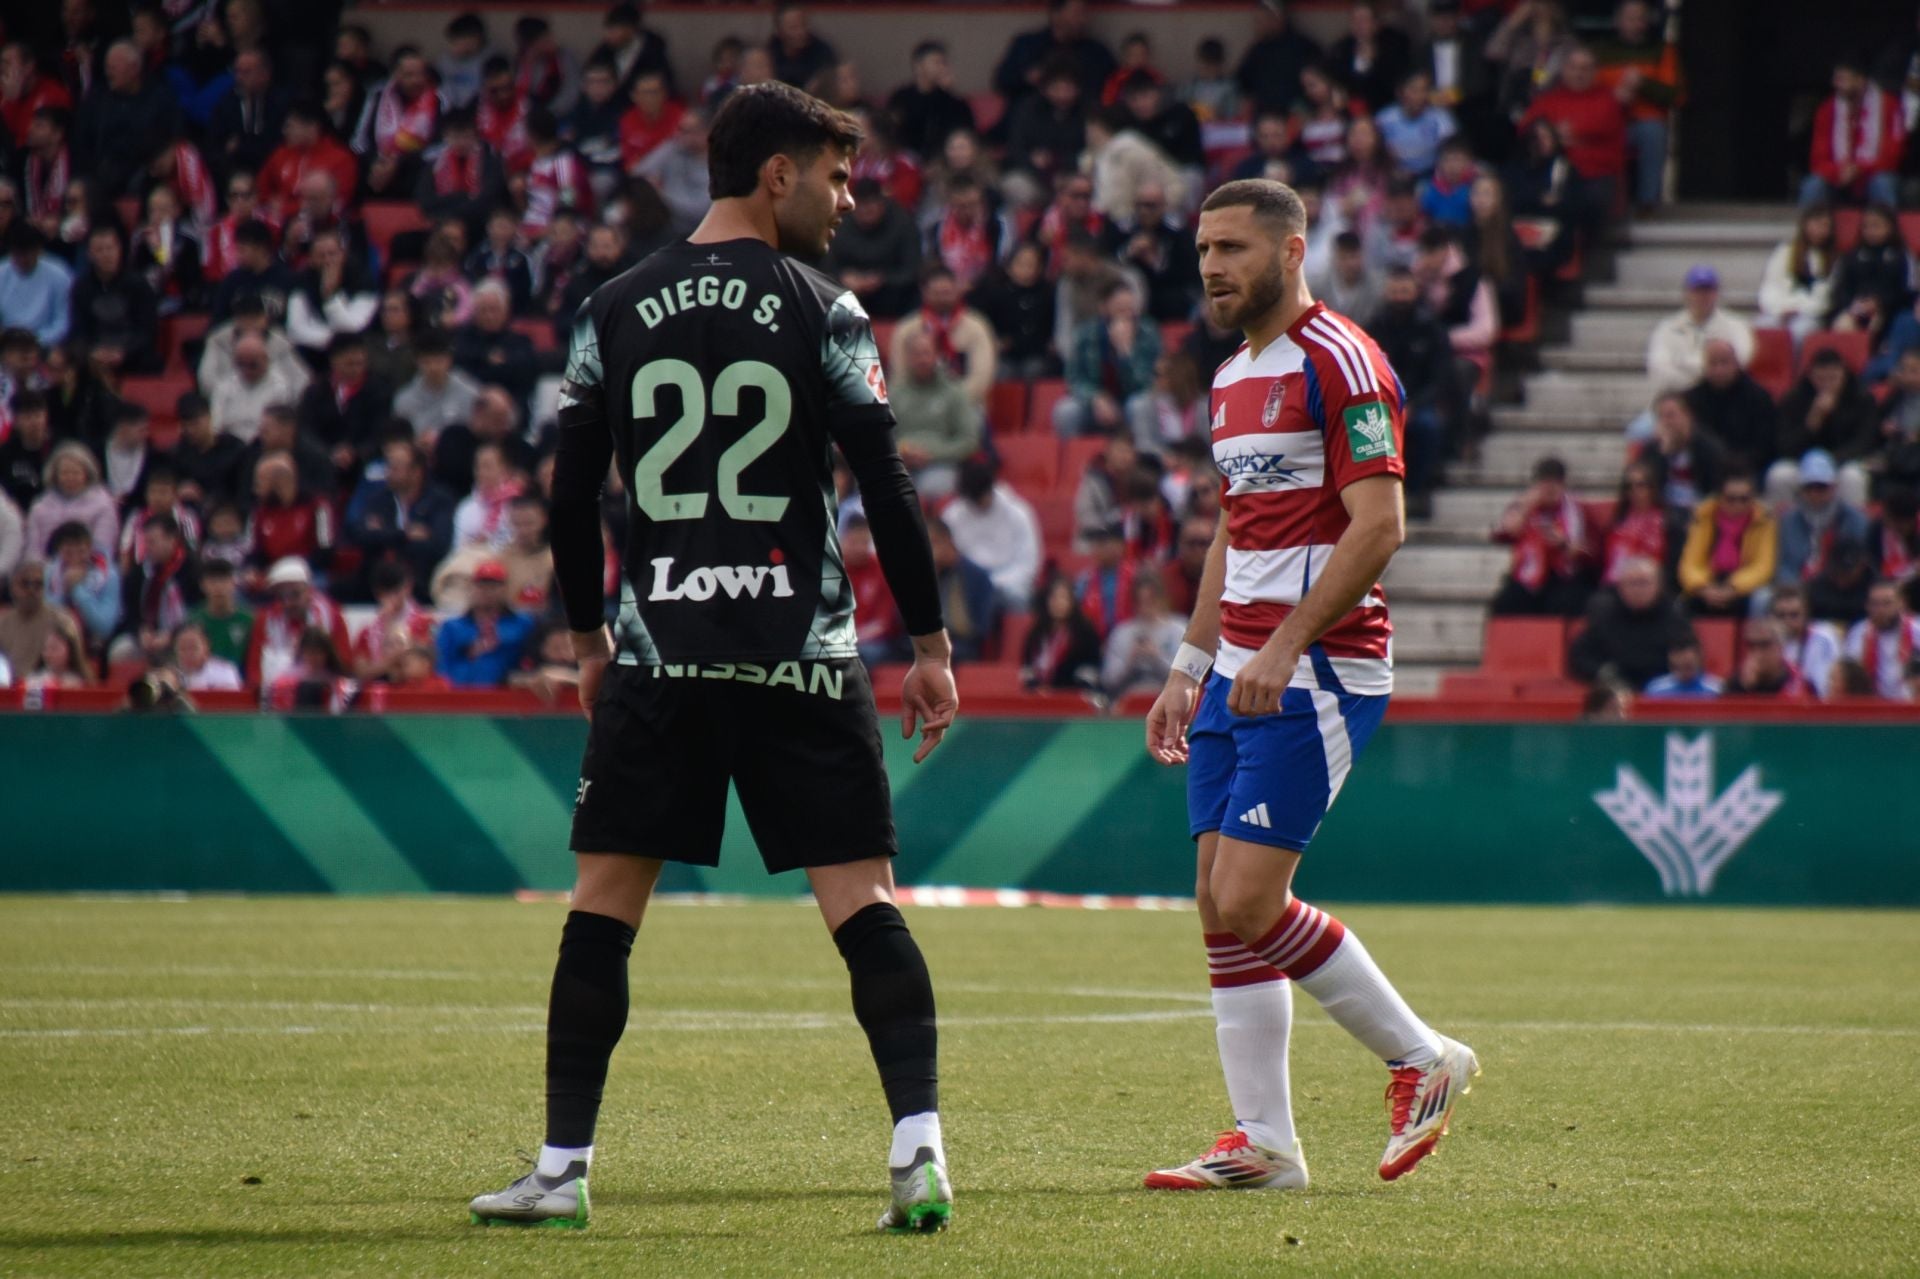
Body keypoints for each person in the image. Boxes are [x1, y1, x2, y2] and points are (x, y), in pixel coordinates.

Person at [467, 83, 959, 1235]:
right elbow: (884, 482)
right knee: (864, 904)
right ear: (774, 175)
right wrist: (929, 647)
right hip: (803, 652)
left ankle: (560, 1168)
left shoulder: (612, 305)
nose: (848, 200)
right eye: (834, 177)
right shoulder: (827, 307)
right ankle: (919, 1153)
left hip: (661, 652)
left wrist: (589, 640)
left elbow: (570, 493)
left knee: (602, 909)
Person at [1140, 179, 1475, 1196]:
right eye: (1203, 249)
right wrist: (1189, 665)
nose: (1210, 267)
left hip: (1320, 664)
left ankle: (1424, 1057)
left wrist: (1285, 644)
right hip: (1237, 667)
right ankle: (1265, 1144)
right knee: (1214, 900)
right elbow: (1236, 533)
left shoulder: (1343, 360)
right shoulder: (1234, 374)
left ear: (1292, 251)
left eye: (1232, 248)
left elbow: (1380, 524)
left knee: (1250, 895)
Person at [1590, 0, 1681, 213]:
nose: (1635, 24)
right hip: (1606, 121)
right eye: (1630, 18)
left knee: (1653, 132)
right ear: (1617, 21)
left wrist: (1642, 84)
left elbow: (1675, 95)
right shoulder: (1599, 51)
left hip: (1642, 123)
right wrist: (1614, 97)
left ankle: (1647, 203)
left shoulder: (1662, 51)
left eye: (1640, 18)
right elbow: (1586, 88)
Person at [343, 437, 456, 599]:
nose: (389, 472)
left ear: (416, 472)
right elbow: (360, 535)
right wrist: (404, 535)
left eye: (396, 467)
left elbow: (437, 545)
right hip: (375, 578)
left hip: (420, 580)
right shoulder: (378, 499)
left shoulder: (439, 501)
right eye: (389, 466)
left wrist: (384, 537)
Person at [1568, 554, 1696, 690]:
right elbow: (1580, 656)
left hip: (1663, 690)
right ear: (1620, 587)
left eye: (1643, 583)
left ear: (1658, 586)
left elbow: (1691, 655)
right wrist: (1602, 672)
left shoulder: (1674, 615)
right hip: (1615, 689)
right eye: (1631, 583)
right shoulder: (1604, 615)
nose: (1637, 590)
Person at [1770, 354, 1877, 508]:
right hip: (1801, 461)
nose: (1827, 384)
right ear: (1811, 377)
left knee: (1853, 477)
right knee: (1780, 475)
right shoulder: (1794, 399)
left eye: (1833, 378)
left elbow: (1864, 441)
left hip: (1842, 462)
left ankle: (1853, 530)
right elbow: (1784, 445)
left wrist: (1829, 460)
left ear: (1844, 376)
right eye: (1820, 379)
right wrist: (1812, 423)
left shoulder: (1862, 399)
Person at [887, 330, 980, 501]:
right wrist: (901, 454)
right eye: (916, 354)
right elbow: (882, 439)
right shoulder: (893, 394)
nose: (922, 359)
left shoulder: (955, 392)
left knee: (933, 487)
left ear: (937, 355)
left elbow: (969, 441)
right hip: (899, 465)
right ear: (907, 358)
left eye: (926, 353)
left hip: (941, 465)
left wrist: (931, 454)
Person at [1057, 284, 1160, 437]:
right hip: (1096, 403)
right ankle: (1071, 455)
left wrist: (1126, 352)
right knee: (1066, 410)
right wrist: (1095, 398)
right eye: (1120, 307)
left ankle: (1145, 457)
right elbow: (1074, 379)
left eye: (1130, 307)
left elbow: (1149, 383)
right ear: (1104, 307)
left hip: (1131, 400)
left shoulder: (1148, 333)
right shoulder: (1085, 334)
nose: (1127, 313)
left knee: (1140, 405)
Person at [942, 455, 1041, 613]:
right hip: (967, 585)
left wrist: (993, 584)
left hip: (1009, 584)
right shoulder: (952, 516)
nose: (979, 505)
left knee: (1016, 598)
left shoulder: (1018, 512)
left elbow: (1027, 564)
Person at [1490, 456, 1588, 615]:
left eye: (1555, 483)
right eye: (1544, 483)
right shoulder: (1523, 504)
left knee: (1566, 602)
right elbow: (1508, 530)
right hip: (1527, 573)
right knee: (1506, 602)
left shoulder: (1571, 507)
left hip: (1561, 574)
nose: (1549, 489)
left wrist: (1561, 542)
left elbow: (1577, 549)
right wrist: (1527, 507)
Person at [1802, 58, 1903, 210]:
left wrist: (1859, 169)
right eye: (1836, 79)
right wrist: (1839, 171)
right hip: (1837, 177)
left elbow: (1894, 153)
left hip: (1872, 175)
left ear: (1861, 81)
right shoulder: (1826, 110)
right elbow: (1818, 157)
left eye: (1842, 79)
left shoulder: (1890, 106)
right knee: (1813, 185)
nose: (1836, 85)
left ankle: (1888, 232)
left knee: (1883, 183)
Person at [1644, 266, 1756, 403]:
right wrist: (1705, 374)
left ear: (1716, 293)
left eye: (1708, 290)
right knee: (1640, 425)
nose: (1703, 296)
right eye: (1697, 290)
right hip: (1676, 401)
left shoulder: (1736, 326)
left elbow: (1740, 362)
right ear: (1687, 293)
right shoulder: (1667, 328)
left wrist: (1683, 364)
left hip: (1722, 401)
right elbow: (1659, 370)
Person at [890, 266, 996, 407]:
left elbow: (981, 378)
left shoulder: (977, 327)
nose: (942, 299)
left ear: (957, 290)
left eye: (946, 293)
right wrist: (923, 401)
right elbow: (899, 374)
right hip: (916, 404)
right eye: (936, 293)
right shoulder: (907, 328)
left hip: (966, 404)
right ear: (925, 293)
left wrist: (948, 402)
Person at [1677, 473, 1776, 617]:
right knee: (1682, 603)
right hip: (1708, 581)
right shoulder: (1703, 516)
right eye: (1731, 499)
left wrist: (1734, 587)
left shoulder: (1764, 521)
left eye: (1744, 499)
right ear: (1720, 498)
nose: (1737, 504)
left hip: (1744, 584)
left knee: (1762, 599)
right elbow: (1689, 563)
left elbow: (1763, 566)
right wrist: (1703, 588)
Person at [245, 555, 349, 688]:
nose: (288, 603)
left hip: (323, 692)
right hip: (276, 694)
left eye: (295, 595)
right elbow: (255, 671)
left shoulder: (331, 615)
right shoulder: (265, 620)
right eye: (282, 597)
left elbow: (345, 664)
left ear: (309, 590)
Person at [993, 0, 1117, 111]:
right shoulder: (1027, 44)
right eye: (1077, 13)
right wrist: (1027, 78)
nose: (1083, 20)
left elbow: (1114, 86)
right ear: (1056, 15)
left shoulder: (1097, 52)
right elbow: (1002, 81)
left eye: (1085, 14)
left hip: (1080, 122)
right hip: (1029, 120)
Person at [825, 179, 920, 320]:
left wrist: (881, 279)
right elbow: (824, 264)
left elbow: (912, 269)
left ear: (882, 203)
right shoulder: (839, 224)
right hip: (848, 291)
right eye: (861, 205)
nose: (866, 210)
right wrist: (842, 277)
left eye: (872, 203)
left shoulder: (902, 223)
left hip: (892, 296)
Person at [1684, 339, 1779, 478]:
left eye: (1724, 362)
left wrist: (1736, 465)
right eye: (1713, 363)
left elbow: (1766, 445)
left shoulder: (1758, 397)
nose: (1719, 370)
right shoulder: (1691, 399)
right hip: (1704, 470)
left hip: (1750, 468)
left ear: (1736, 364)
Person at [1825, 204, 1913, 340]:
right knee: (1842, 325)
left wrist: (1880, 303)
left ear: (1890, 227)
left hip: (1890, 312)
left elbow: (1906, 290)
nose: (1871, 231)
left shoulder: (1901, 257)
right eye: (1866, 226)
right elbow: (1840, 288)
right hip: (1855, 309)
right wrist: (1854, 305)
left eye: (1876, 226)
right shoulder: (1851, 257)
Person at [1758, 204, 1837, 349]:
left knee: (1798, 332)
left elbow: (1824, 296)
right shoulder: (1785, 251)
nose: (1820, 230)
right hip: (1779, 310)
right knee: (1763, 327)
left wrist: (1799, 309)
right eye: (1816, 224)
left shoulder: (1832, 260)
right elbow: (1771, 285)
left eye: (1825, 226)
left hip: (1809, 315)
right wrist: (1780, 309)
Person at [1102, 573, 1188, 696]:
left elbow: (1186, 678)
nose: (1145, 607)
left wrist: (1157, 657)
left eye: (1151, 601)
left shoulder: (1179, 629)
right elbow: (1108, 681)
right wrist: (1130, 661)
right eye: (1140, 601)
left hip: (1168, 698)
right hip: (1129, 700)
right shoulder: (1121, 633)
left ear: (1162, 599)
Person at [26, 441, 116, 557]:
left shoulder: (103, 505)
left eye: (76, 473)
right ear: (55, 475)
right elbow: (32, 550)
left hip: (89, 569)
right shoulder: (40, 506)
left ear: (86, 474)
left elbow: (103, 547)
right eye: (64, 473)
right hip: (46, 568)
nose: (70, 478)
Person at [392, 332, 483, 446]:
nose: (433, 368)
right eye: (427, 362)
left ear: (449, 360)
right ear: (417, 362)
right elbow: (400, 442)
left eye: (439, 361)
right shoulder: (404, 400)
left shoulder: (470, 391)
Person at [887, 41, 972, 162]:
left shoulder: (952, 101)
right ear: (918, 66)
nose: (942, 68)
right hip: (907, 160)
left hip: (943, 161)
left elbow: (963, 131)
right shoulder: (901, 98)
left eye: (944, 63)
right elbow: (891, 132)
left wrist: (950, 93)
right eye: (937, 62)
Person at [0, 558, 82, 679]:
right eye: (25, 583)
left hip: (51, 689)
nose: (31, 590)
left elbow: (81, 668)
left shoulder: (62, 620)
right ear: (13, 586)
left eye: (38, 584)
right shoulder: (2, 623)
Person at [1020, 574, 1102, 691]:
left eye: (1063, 598)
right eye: (1054, 598)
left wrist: (1057, 691)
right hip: (1038, 698)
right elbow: (1027, 668)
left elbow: (1090, 671)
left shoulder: (1085, 632)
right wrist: (1035, 687)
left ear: (1072, 601)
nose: (1058, 603)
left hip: (1072, 698)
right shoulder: (1036, 633)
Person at [1843, 579, 1918, 699]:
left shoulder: (1917, 631)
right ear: (1867, 606)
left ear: (1901, 603)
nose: (1881, 610)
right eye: (1875, 604)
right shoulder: (1859, 633)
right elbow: (1850, 676)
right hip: (1872, 706)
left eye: (1887, 603)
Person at [1374, 71, 1456, 180]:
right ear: (1400, 92)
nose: (1419, 96)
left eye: (1424, 90)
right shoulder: (1385, 118)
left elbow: (1451, 151)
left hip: (1431, 175)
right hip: (1392, 175)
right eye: (1414, 90)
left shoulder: (1441, 118)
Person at [0, 225, 72, 347]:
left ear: (39, 251)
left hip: (45, 343)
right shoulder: (1, 273)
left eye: (27, 254)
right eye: (18, 254)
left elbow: (62, 320)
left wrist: (37, 340)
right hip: (6, 344)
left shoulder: (60, 275)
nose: (22, 260)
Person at [1768, 582, 1841, 696]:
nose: (1787, 621)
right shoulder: (1765, 643)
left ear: (1806, 614)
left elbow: (1824, 689)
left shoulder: (1823, 638)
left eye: (1794, 615)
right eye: (1781, 615)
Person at [187, 558, 254, 672]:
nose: (218, 587)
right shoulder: (193, 620)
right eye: (213, 582)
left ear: (233, 583)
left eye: (223, 581)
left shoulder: (248, 620)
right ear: (202, 585)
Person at [1724, 617, 1811, 696]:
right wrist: (1745, 688)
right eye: (1751, 645)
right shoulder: (1736, 682)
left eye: (1764, 644)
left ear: (1780, 647)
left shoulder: (1798, 682)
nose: (1757, 652)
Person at [1642, 638, 1722, 698]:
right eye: (1679, 667)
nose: (1684, 672)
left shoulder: (1717, 689)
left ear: (1699, 660)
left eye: (1688, 666)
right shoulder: (1655, 689)